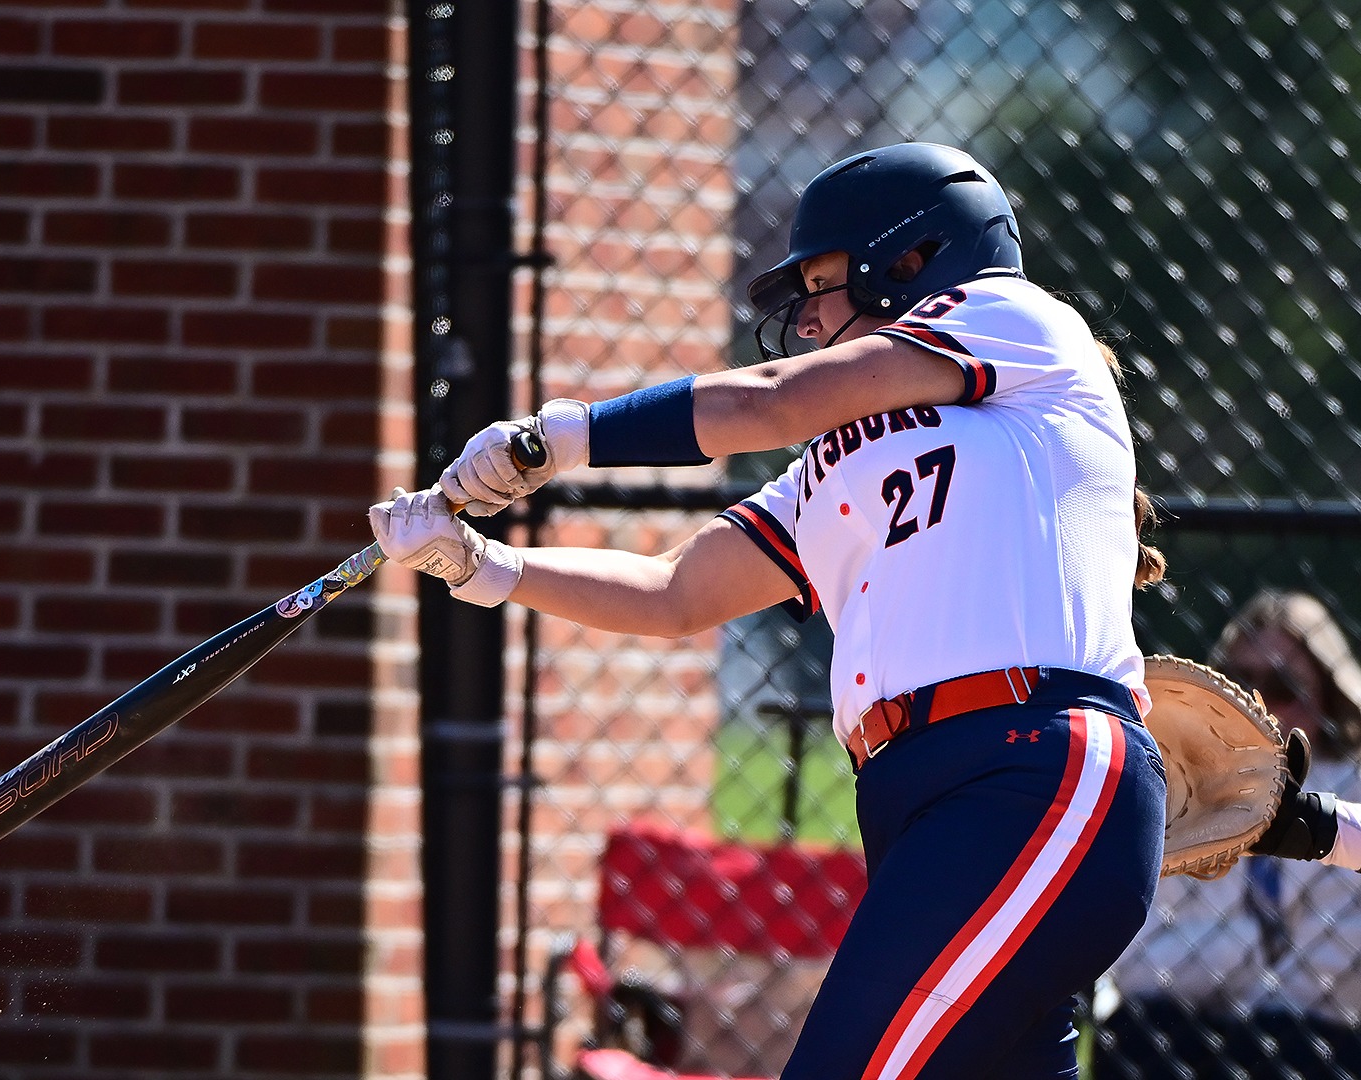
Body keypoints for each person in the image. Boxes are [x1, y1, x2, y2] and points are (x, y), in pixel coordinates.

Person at [371, 142, 1171, 1079]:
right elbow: (679, 592)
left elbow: (770, 400)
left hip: (1027, 766)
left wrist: (562, 437)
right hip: (922, 794)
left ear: (912, 260)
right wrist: (481, 566)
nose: (809, 315)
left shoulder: (1015, 318)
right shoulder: (834, 460)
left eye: (825, 281)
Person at [1101, 590, 1361, 1079]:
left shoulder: (1350, 796)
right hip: (1185, 1034)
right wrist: (1264, 939)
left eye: (1285, 687)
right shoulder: (1181, 796)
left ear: (1326, 695)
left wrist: (1218, 956)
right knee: (1135, 1030)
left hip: (1314, 1042)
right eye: (1243, 682)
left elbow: (1339, 980)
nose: (1264, 704)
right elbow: (1135, 967)